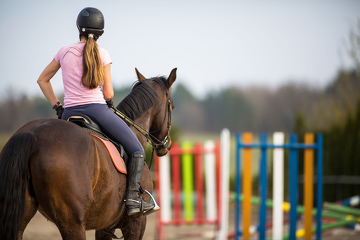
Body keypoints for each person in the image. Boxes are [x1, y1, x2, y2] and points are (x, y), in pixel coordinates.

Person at [37, 7, 157, 216]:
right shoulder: (103, 53)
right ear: (101, 32)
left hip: (68, 114)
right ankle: (132, 200)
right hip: (97, 110)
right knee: (137, 149)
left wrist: (58, 106)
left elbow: (42, 80)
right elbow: (109, 94)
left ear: (78, 28)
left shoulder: (64, 51)